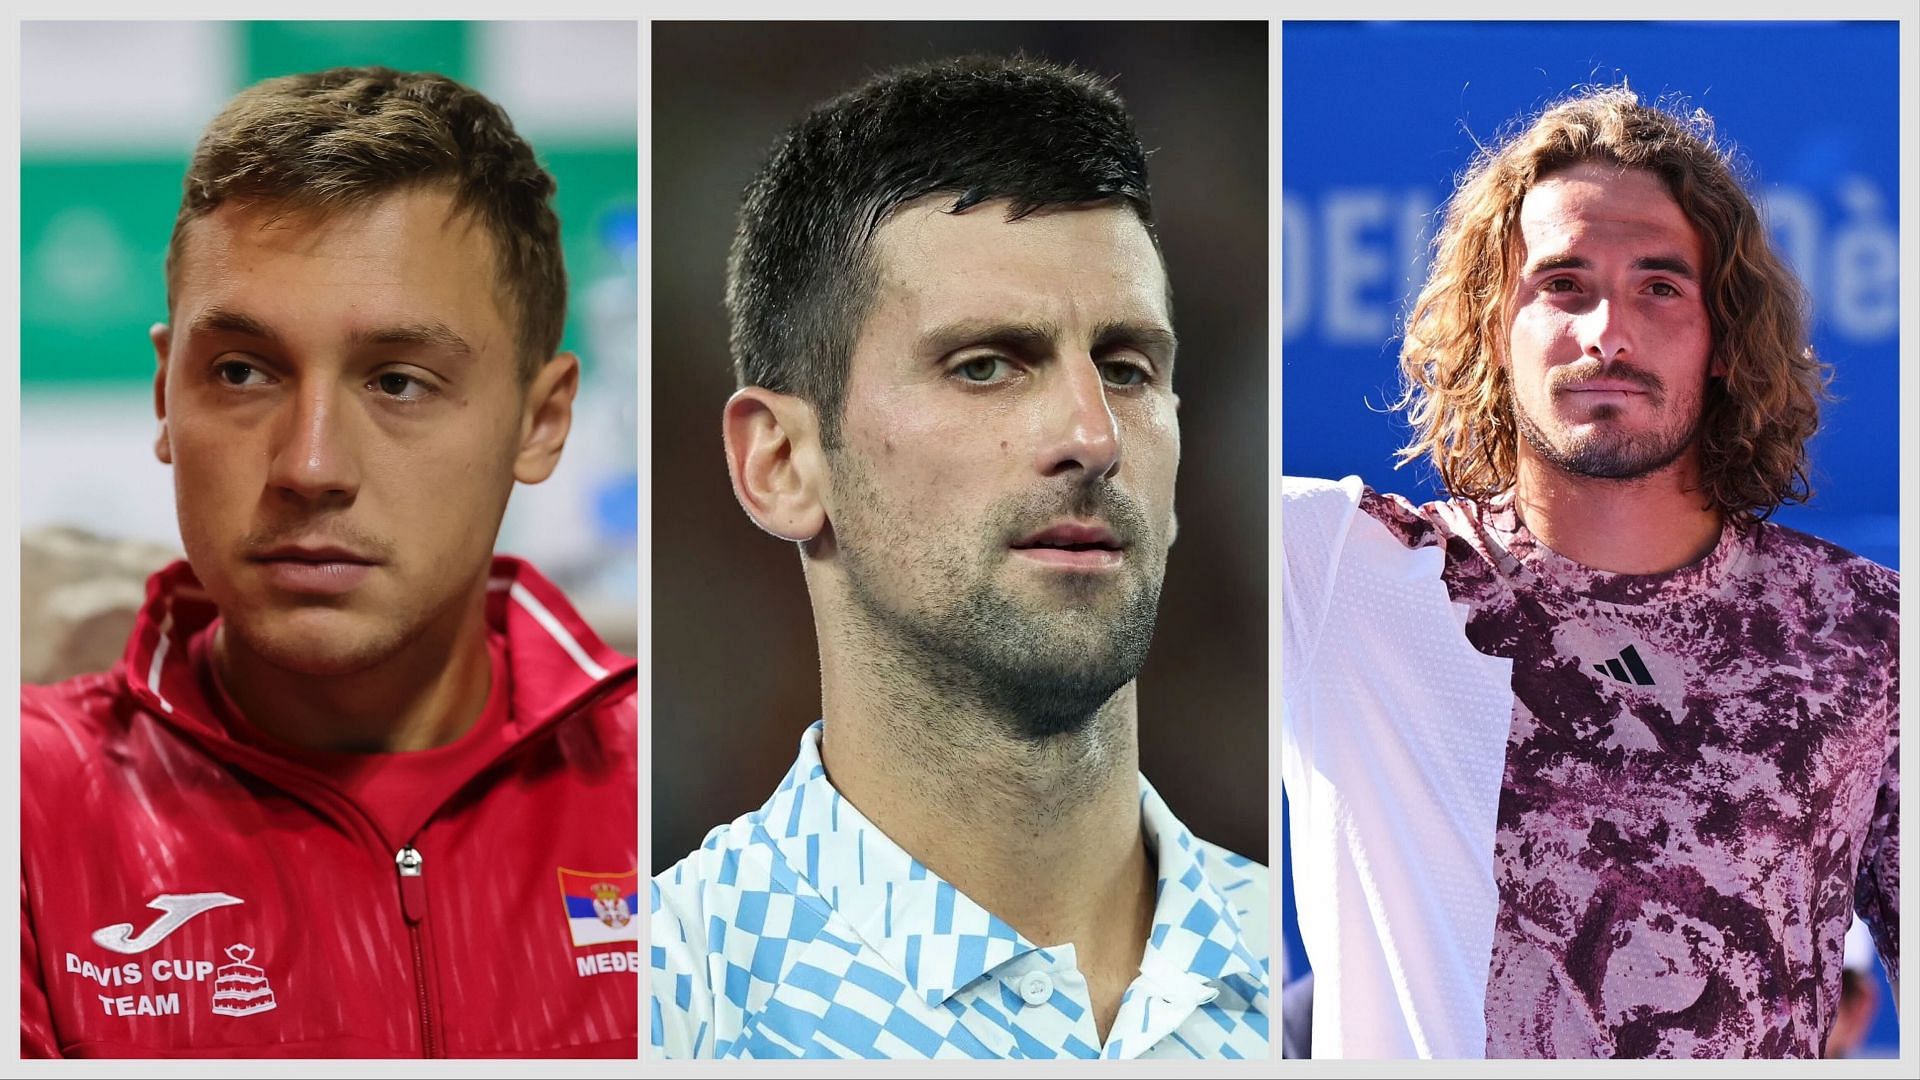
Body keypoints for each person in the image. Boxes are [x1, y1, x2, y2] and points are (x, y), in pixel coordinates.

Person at [649, 56, 1269, 1060]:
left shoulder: (1335, 976)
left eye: (1126, 367)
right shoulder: (658, 1011)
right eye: (984, 365)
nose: (1093, 434)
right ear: (781, 463)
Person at [19, 67, 639, 1058]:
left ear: (541, 419)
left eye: (398, 381)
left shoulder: (683, 797)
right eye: (241, 372)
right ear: (163, 396)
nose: (310, 466)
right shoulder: (27, 799)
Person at [1280, 86, 1898, 1058]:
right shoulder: (1336, 582)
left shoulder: (1869, 639)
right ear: (1494, 326)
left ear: (1724, 338)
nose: (1608, 333)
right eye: (1563, 284)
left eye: (1659, 286)